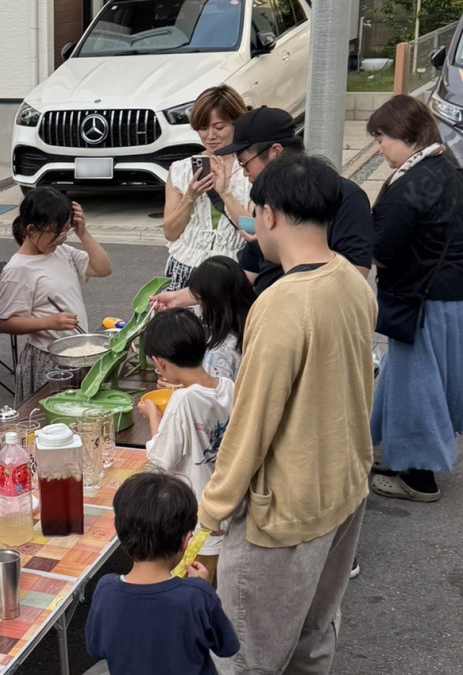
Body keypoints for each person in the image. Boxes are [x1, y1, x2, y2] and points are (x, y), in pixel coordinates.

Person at [198, 153, 376, 674]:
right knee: (312, 638)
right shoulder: (353, 280)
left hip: (285, 511)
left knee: (249, 656)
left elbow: (251, 424)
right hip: (344, 489)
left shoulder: (281, 302)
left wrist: (211, 511)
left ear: (269, 214)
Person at [150, 107, 374, 308]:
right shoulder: (266, 198)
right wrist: (185, 296)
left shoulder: (346, 196)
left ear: (275, 151)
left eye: (245, 163)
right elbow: (246, 274)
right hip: (269, 310)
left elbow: (356, 275)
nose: (245, 173)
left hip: (314, 317)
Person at [365, 95, 463, 502]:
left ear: (405, 135)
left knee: (417, 388)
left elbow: (382, 245)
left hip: (420, 298)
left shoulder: (412, 183)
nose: (379, 148)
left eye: (382, 139)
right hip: (448, 296)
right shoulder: (448, 166)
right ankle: (391, 448)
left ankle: (419, 478)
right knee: (416, 380)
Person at [85, 471, 239, 675]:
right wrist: (202, 587)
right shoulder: (197, 596)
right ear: (185, 540)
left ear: (120, 533)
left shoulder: (105, 590)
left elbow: (95, 648)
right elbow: (227, 647)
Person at [136, 309, 234, 586]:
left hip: (198, 522)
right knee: (218, 587)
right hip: (228, 510)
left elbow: (160, 459)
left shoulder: (182, 401)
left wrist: (154, 416)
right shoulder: (228, 386)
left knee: (194, 589)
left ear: (160, 362)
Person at [0, 187, 112, 405]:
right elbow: (6, 322)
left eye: (66, 231)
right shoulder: (18, 269)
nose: (61, 238)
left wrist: (83, 233)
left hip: (76, 353)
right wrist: (49, 322)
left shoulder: (62, 252)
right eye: (56, 232)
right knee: (51, 417)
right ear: (31, 230)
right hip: (48, 359)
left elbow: (103, 268)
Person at [161, 85, 251, 290]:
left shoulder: (249, 170)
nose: (210, 135)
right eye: (203, 128)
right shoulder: (180, 170)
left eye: (219, 127)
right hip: (185, 268)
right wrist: (189, 197)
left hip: (232, 272)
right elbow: (170, 233)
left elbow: (253, 229)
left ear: (236, 123)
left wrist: (225, 193)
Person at [185, 256, 254, 381]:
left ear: (215, 303)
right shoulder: (255, 327)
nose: (199, 307)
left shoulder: (218, 354)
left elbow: (210, 392)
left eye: (200, 301)